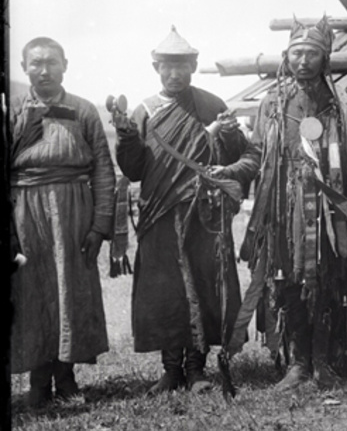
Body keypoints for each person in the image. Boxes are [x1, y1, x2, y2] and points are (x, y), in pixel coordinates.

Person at [115, 26, 259, 395]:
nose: (174, 73)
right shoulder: (145, 110)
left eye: (182, 66)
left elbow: (238, 158)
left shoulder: (213, 105)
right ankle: (170, 370)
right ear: (155, 67)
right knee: (166, 292)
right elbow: (134, 169)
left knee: (206, 286)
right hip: (160, 213)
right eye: (167, 66)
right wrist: (127, 136)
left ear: (194, 65)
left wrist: (227, 135)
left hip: (204, 213)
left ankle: (197, 370)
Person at [241, 16, 347, 391]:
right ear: (286, 56)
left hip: (331, 207)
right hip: (284, 208)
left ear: (325, 57)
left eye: (311, 53)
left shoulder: (340, 103)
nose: (303, 61)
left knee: (328, 278)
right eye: (297, 53)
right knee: (288, 278)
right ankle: (298, 364)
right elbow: (256, 153)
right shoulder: (272, 104)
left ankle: (324, 362)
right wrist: (236, 172)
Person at [9, 37, 115, 406]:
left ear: (65, 65)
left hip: (73, 212)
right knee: (33, 293)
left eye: (51, 62)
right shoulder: (15, 112)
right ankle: (39, 384)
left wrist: (100, 226)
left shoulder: (83, 110)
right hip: (26, 213)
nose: (44, 70)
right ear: (23, 68)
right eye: (35, 63)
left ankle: (66, 379)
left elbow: (103, 169)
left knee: (70, 292)